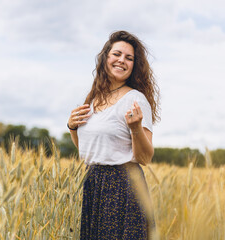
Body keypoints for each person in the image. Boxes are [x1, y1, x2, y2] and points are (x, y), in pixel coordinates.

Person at [67, 30, 160, 239]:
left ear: (134, 66)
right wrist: (73, 127)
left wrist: (136, 129)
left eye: (129, 58)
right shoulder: (92, 98)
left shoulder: (135, 99)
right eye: (116, 54)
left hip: (123, 186)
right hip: (93, 183)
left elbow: (145, 158)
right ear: (105, 58)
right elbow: (87, 148)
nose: (122, 61)